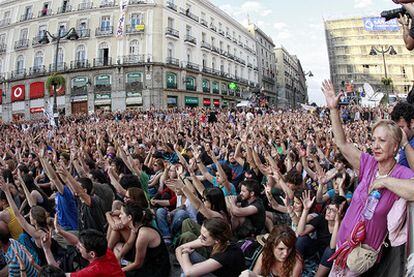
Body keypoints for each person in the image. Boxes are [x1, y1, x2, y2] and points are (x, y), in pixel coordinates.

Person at [321, 80, 414, 276]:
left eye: (382, 140)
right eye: (374, 140)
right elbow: (342, 143)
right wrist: (333, 110)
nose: (376, 145)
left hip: (362, 257)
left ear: (395, 146)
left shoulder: (401, 173)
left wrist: (385, 181)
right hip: (343, 244)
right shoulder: (369, 164)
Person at [175, 218, 246, 277]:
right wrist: (184, 265)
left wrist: (185, 253)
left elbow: (189, 273)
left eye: (204, 237)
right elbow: (179, 248)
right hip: (216, 271)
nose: (199, 237)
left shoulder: (226, 254)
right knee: (188, 260)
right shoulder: (218, 241)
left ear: (217, 241)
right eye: (200, 234)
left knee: (188, 258)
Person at [118, 203, 170, 276]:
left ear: (129, 217)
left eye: (121, 214)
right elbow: (129, 243)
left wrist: (118, 271)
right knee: (118, 247)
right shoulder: (135, 226)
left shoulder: (143, 234)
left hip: (156, 269)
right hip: (147, 260)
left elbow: (138, 264)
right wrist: (119, 256)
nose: (119, 216)